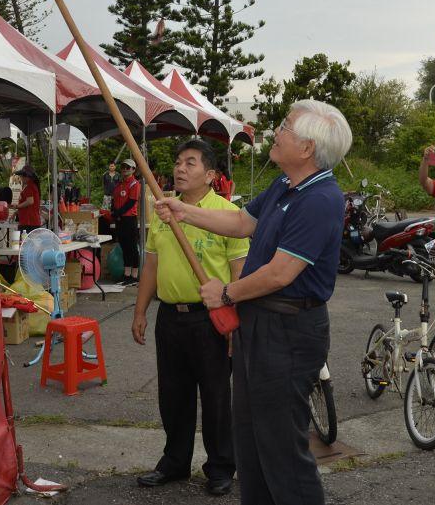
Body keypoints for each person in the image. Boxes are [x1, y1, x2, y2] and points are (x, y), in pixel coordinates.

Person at [154, 100, 352, 505]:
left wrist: (226, 292)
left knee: (281, 447)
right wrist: (184, 212)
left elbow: (282, 272)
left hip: (289, 331)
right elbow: (242, 223)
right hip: (259, 324)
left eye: (286, 127)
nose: (276, 132)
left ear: (307, 148)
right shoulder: (285, 185)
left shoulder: (321, 198)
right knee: (251, 440)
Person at [132, 138, 249, 496]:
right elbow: (151, 262)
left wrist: (236, 320)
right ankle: (174, 461)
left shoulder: (228, 216)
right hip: (171, 317)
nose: (180, 169)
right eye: (179, 162)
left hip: (210, 319)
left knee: (215, 396)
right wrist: (140, 311)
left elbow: (239, 271)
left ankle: (220, 466)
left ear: (211, 175)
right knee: (173, 395)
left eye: (191, 163)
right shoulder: (163, 208)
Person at [112, 159, 142, 285]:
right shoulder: (119, 184)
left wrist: (118, 212)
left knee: (132, 247)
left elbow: (131, 202)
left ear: (133, 170)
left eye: (128, 167)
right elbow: (114, 200)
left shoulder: (134, 184)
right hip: (120, 219)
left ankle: (134, 276)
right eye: (123, 167)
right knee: (124, 247)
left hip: (129, 218)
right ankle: (126, 274)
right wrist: (113, 211)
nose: (125, 169)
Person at [13, 167, 42, 233]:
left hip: (29, 222)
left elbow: (30, 201)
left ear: (26, 177)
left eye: (21, 176)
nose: (21, 178)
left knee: (24, 242)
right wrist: (16, 212)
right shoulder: (32, 185)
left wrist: (17, 206)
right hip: (31, 221)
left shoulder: (29, 186)